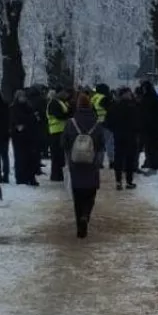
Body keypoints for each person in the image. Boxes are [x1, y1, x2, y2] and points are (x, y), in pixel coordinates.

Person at [64, 92, 105, 238]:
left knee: (77, 196)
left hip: (75, 163)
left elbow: (64, 142)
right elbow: (101, 144)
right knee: (90, 192)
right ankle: (86, 214)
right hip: (91, 163)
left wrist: (68, 157)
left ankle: (79, 226)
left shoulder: (71, 123)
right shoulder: (97, 124)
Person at [109, 87, 140, 190]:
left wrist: (114, 129)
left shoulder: (115, 106)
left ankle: (118, 181)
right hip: (131, 136)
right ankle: (129, 182)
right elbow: (138, 121)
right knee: (130, 159)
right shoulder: (133, 106)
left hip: (118, 135)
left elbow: (108, 121)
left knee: (119, 158)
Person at [10, 90, 40, 185]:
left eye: (24, 96)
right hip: (19, 137)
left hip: (29, 135)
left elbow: (33, 119)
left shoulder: (28, 107)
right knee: (20, 157)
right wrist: (30, 118)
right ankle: (21, 178)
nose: (23, 98)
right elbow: (17, 120)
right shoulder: (14, 108)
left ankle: (30, 176)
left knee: (30, 157)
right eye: (21, 96)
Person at [45, 88, 71, 181]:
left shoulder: (60, 102)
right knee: (56, 155)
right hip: (55, 131)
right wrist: (68, 116)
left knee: (60, 155)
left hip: (60, 130)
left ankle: (59, 174)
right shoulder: (53, 103)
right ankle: (56, 175)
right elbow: (59, 116)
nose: (65, 94)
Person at [139, 80, 158, 170]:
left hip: (150, 127)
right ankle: (155, 163)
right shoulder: (156, 98)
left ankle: (152, 163)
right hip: (155, 126)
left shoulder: (147, 99)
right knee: (154, 146)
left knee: (151, 146)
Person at [92, 83, 114, 168]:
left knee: (99, 144)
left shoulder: (94, 98)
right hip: (106, 123)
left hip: (96, 123)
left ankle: (98, 162)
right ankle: (112, 161)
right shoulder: (104, 98)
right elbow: (111, 110)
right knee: (109, 143)